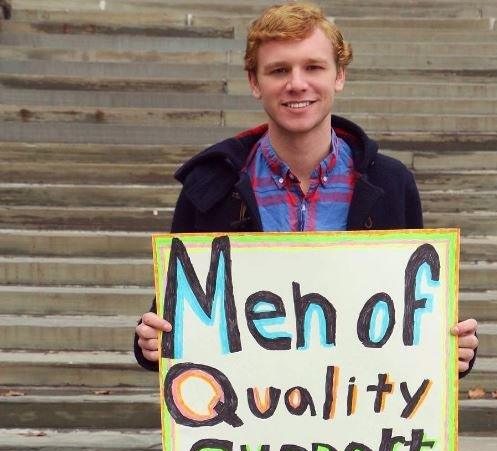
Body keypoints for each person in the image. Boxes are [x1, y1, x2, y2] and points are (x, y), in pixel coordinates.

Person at [134, 1, 478, 374]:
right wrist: (150, 342)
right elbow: (174, 320)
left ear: (339, 76)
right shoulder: (209, 186)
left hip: (359, 412)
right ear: (254, 82)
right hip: (251, 415)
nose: (296, 83)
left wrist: (454, 348)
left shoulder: (391, 184)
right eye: (279, 70)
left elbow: (416, 313)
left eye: (313, 67)